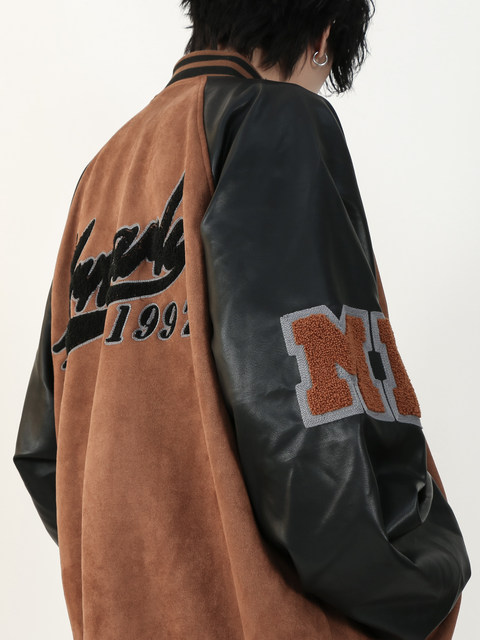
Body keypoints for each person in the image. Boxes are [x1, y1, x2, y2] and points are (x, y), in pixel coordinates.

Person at [13, 1, 471, 638]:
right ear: (323, 37)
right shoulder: (276, 119)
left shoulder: (103, 171)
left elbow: (44, 452)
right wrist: (425, 578)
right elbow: (309, 431)